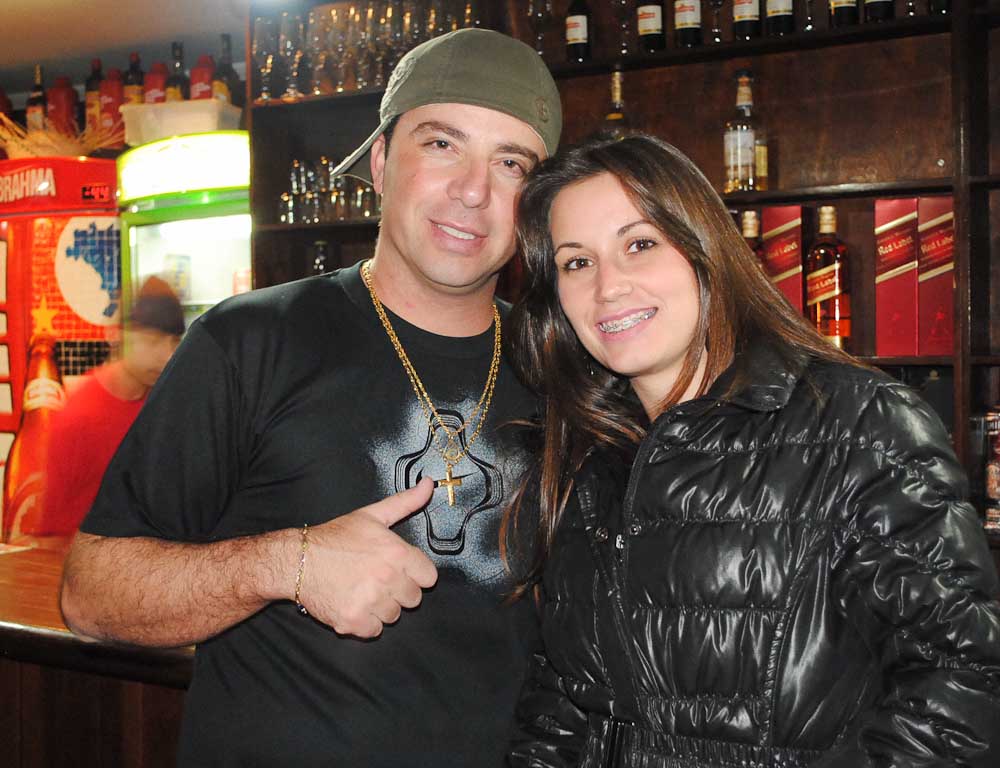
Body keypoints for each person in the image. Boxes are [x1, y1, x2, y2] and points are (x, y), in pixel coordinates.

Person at [59, 29, 562, 767]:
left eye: (510, 163)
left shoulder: (563, 371)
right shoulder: (250, 341)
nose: (474, 190)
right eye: (442, 144)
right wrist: (285, 564)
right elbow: (91, 595)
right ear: (382, 162)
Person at [504, 133, 1000, 767]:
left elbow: (964, 679)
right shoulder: (584, 452)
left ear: (703, 250)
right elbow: (561, 702)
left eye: (640, 244)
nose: (608, 287)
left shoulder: (856, 422)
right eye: (577, 262)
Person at [36, 276, 183, 540]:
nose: (167, 355)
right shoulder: (79, 418)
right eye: (152, 341)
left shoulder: (165, 405)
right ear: (117, 336)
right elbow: (52, 533)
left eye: (173, 342)